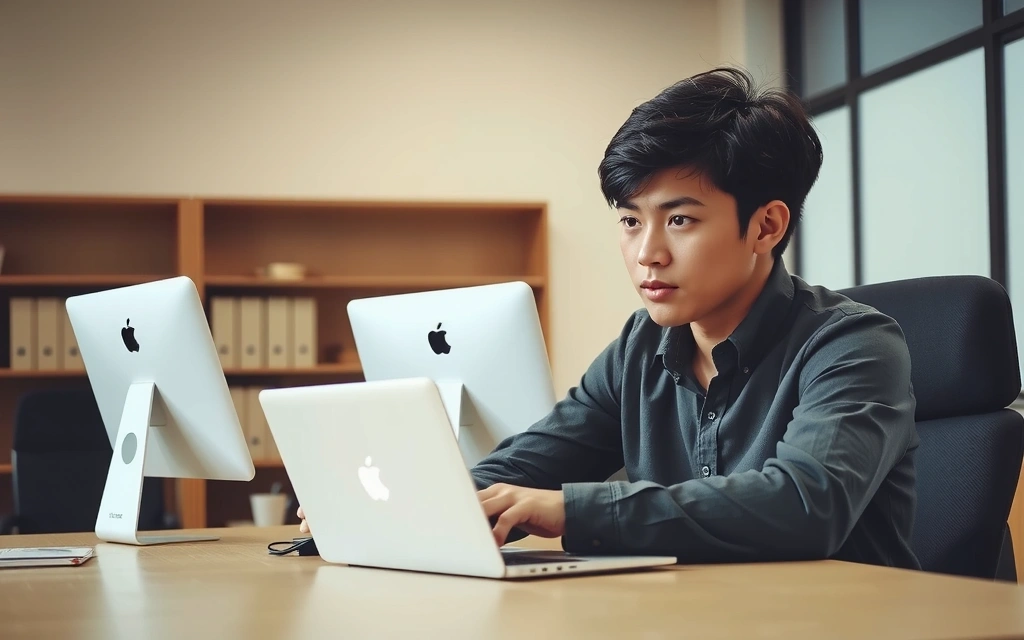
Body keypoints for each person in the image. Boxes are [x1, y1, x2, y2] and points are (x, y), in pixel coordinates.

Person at [299, 66, 920, 569]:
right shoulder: (642, 345)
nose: (646, 251)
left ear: (767, 225)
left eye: (679, 220)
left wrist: (572, 511)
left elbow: (805, 506)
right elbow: (531, 463)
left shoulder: (853, 344)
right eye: (630, 221)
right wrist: (405, 501)